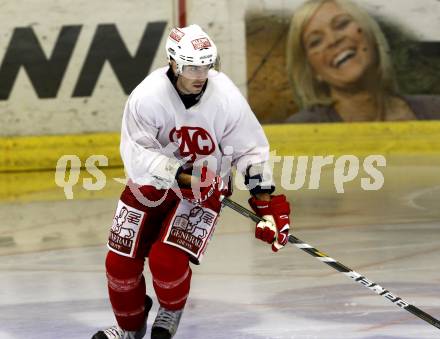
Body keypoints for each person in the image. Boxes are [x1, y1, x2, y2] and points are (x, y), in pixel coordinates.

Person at [92, 24, 292, 339]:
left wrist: (267, 205)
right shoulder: (147, 97)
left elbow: (250, 149)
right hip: (149, 185)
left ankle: (170, 311)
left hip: (203, 191)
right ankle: (129, 329)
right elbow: (136, 156)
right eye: (191, 66)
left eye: (206, 66)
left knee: (166, 260)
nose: (200, 74)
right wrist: (181, 174)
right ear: (173, 62)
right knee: (119, 264)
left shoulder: (224, 95)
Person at [285, 0, 440, 123]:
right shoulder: (301, 131)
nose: (333, 40)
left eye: (342, 24)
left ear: (370, 33)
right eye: (316, 41)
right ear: (313, 71)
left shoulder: (434, 110)